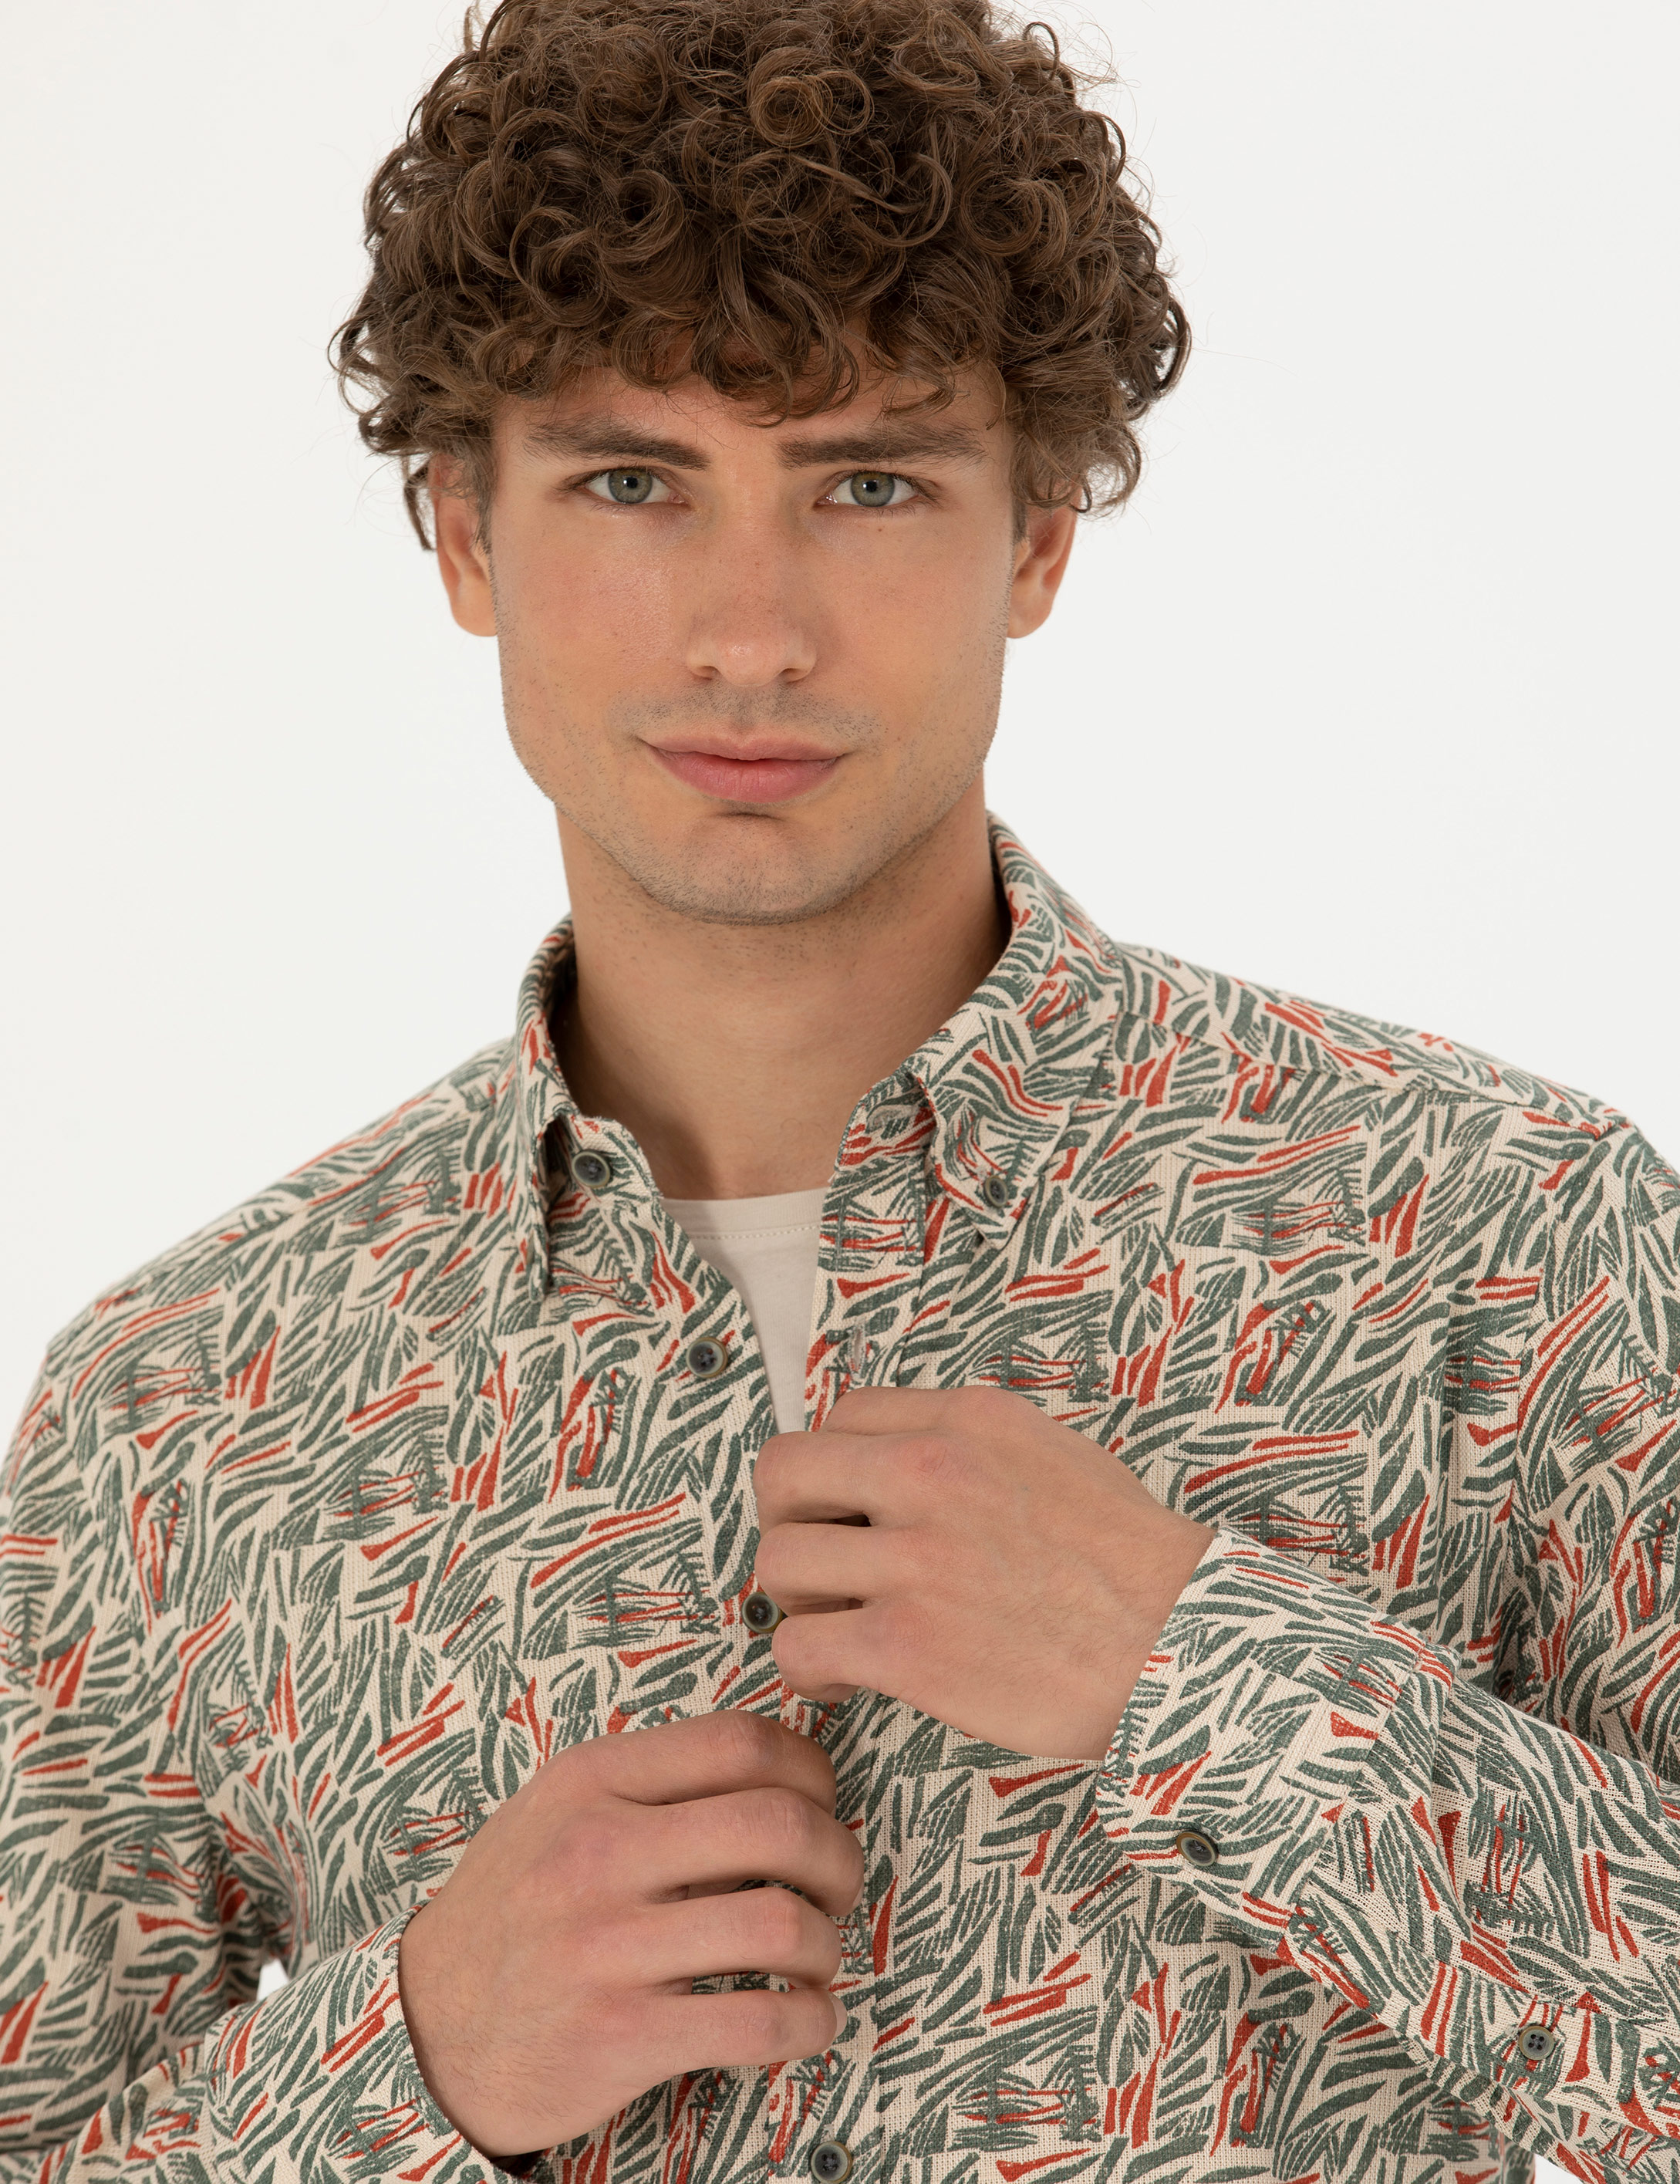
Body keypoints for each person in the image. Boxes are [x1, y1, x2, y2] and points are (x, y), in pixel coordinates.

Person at [3, 0, 1678, 2180]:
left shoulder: (1498, 1239)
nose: (751, 631)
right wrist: (413, 2058)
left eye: (869, 482)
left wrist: (1208, 1678)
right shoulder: (185, 1409)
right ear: (465, 535)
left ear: (1038, 535)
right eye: (631, 481)